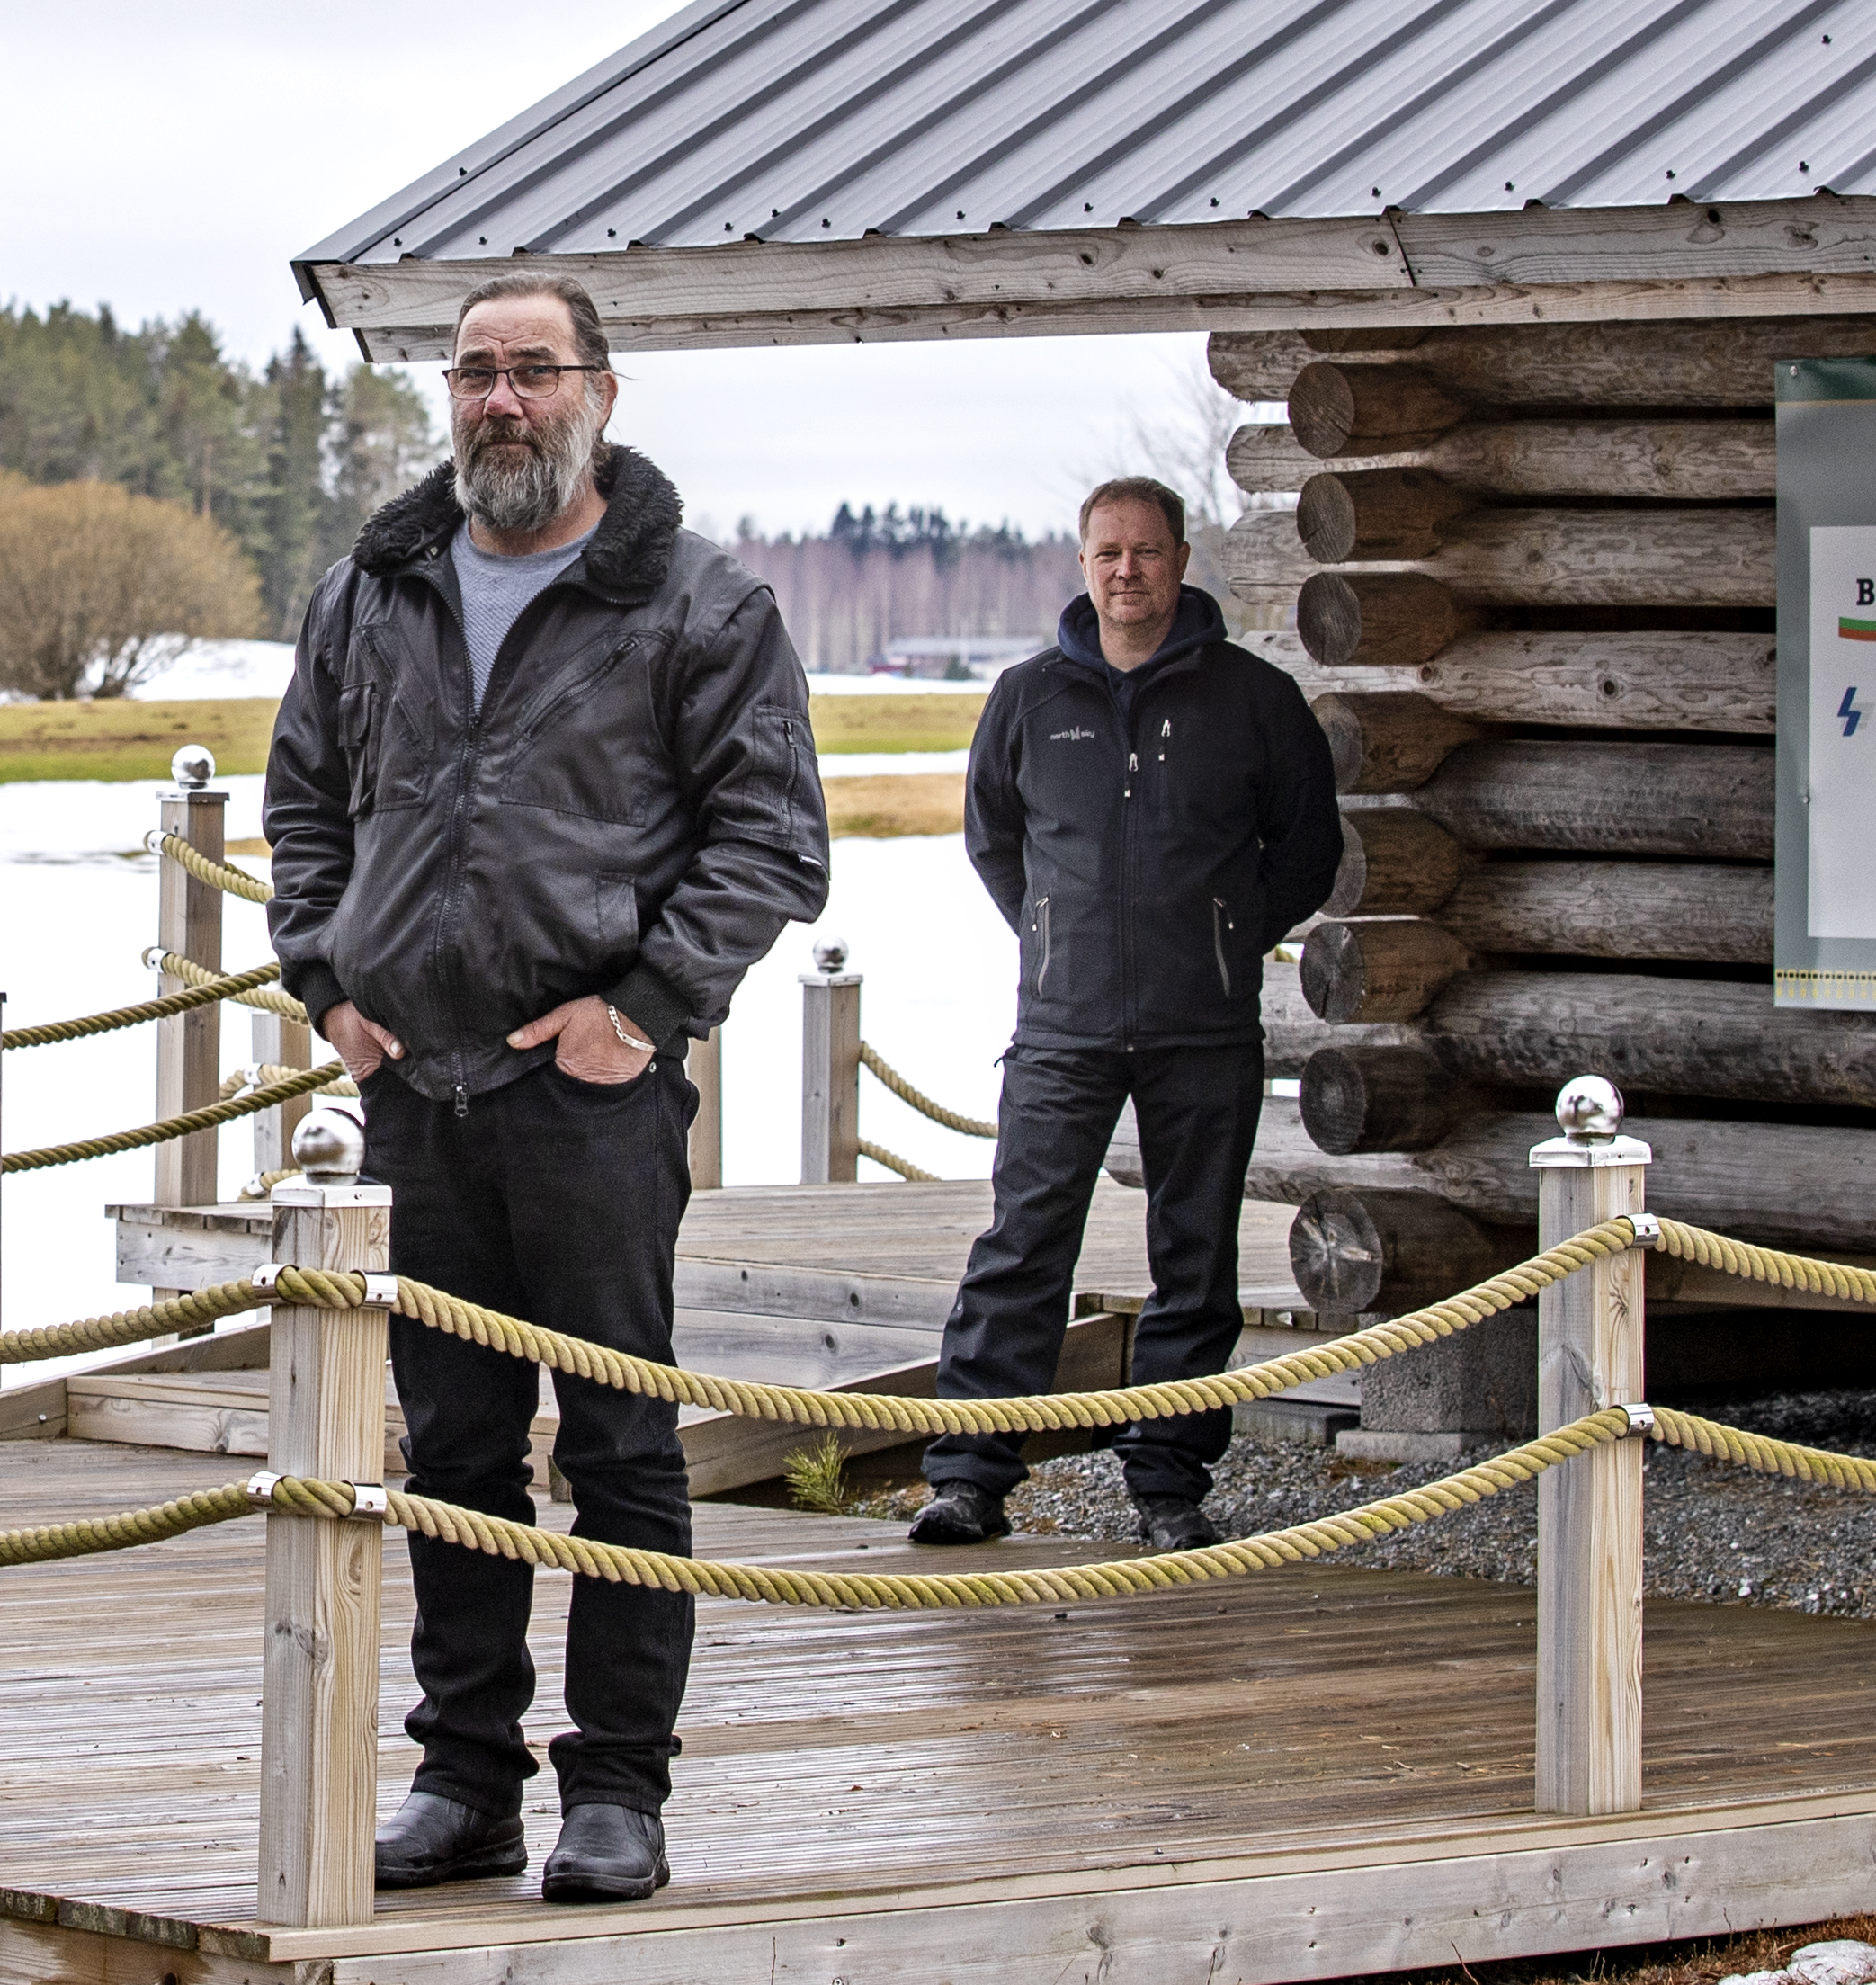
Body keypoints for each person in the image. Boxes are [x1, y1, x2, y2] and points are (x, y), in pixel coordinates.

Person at [263, 274, 830, 1901]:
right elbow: (305, 801)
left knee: (620, 1441)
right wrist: (329, 978)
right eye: (475, 372)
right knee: (447, 1445)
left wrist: (643, 1010)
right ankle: (464, 1777)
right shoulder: (373, 593)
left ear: (601, 392)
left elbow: (773, 840)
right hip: (415, 1089)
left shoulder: (699, 608)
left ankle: (620, 1788)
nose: (502, 400)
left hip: (589, 1098)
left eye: (534, 371)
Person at [909, 477, 1335, 1556]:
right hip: (1061, 1026)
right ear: (1080, 563)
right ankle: (968, 1475)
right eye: (1106, 553)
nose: (1124, 571)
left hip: (1204, 1025)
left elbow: (1307, 848)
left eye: (1143, 551)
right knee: (1020, 1243)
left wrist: (1227, 933)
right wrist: (1050, 934)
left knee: (1190, 1255)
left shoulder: (1251, 699)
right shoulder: (1027, 697)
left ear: (1179, 559)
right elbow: (992, 839)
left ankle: (1166, 1480)